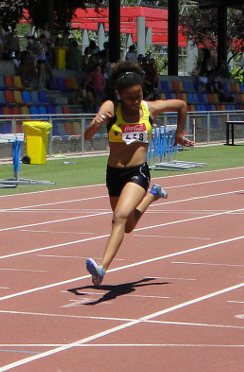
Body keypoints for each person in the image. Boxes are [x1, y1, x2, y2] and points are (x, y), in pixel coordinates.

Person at [83, 61, 194, 285]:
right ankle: (152, 195)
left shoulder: (148, 109)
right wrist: (95, 124)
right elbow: (86, 136)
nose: (135, 102)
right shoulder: (111, 108)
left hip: (138, 172)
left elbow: (181, 105)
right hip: (114, 174)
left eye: (138, 95)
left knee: (119, 218)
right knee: (129, 225)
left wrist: (178, 134)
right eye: (130, 98)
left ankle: (102, 268)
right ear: (120, 96)